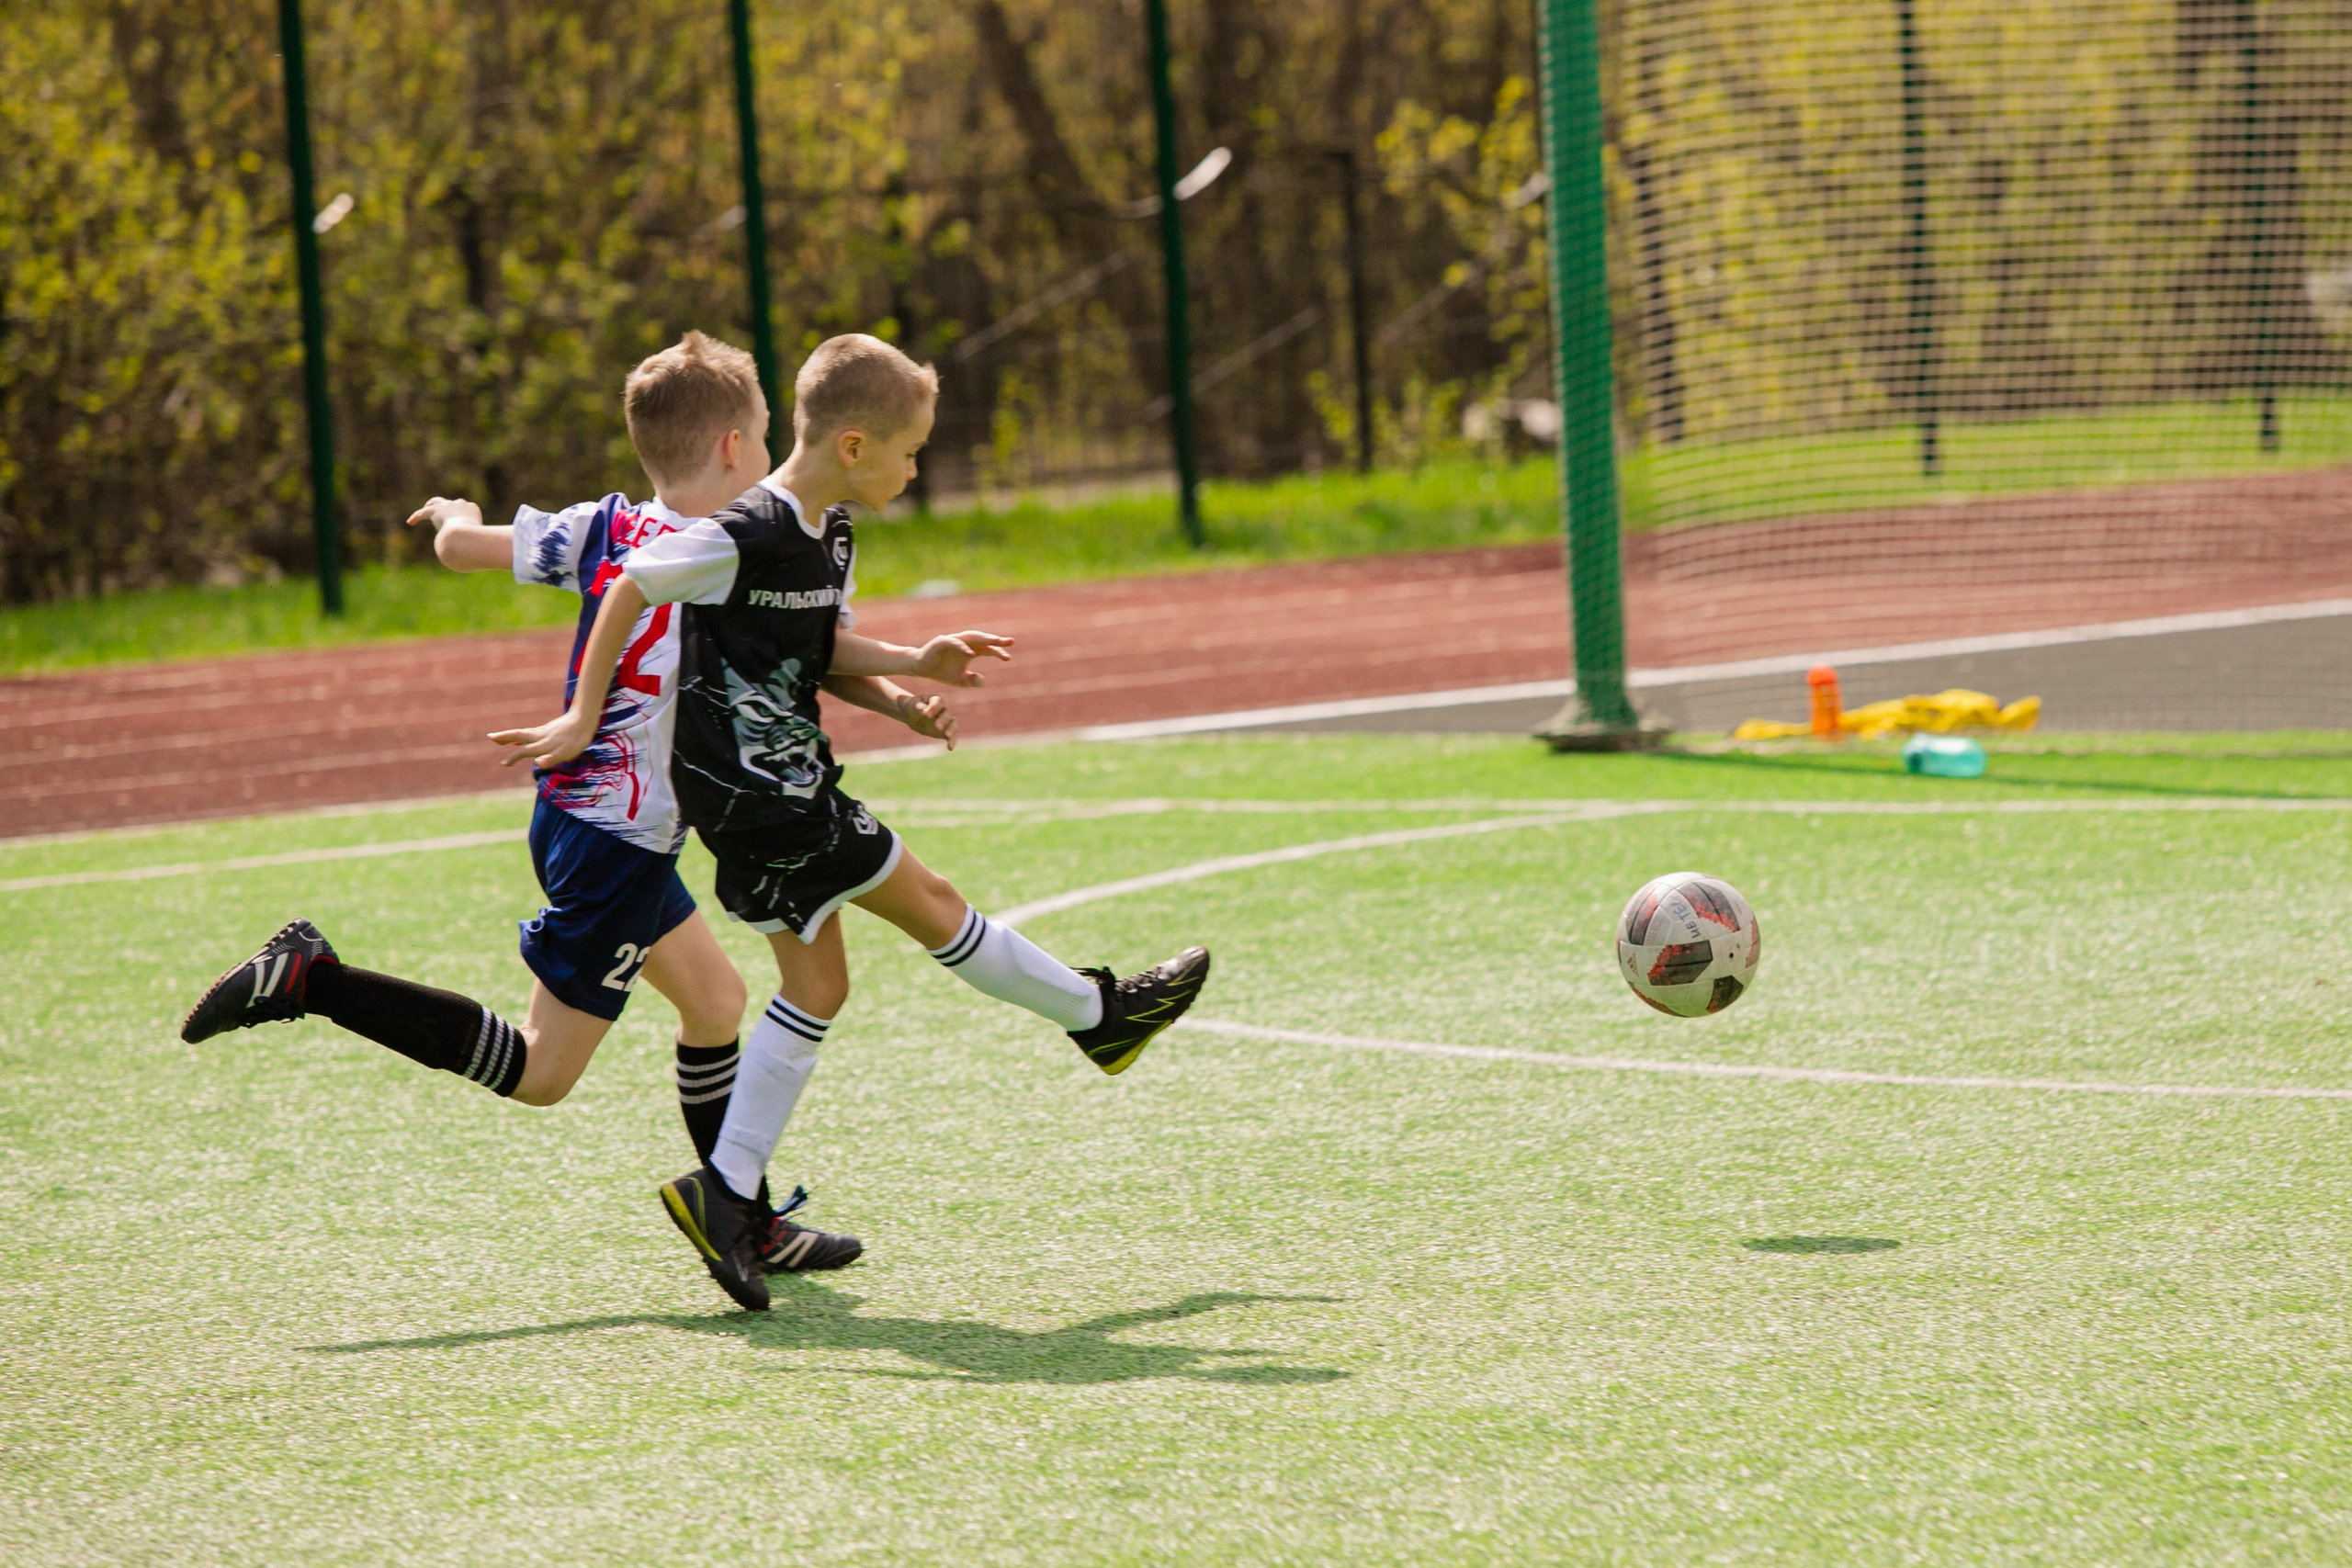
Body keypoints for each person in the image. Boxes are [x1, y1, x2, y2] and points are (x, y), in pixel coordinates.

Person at [178, 332, 965, 1272]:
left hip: (588, 817)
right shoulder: (724, 550)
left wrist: (453, 518)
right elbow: (804, 644)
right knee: (542, 1072)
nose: (768, 455)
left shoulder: (607, 526)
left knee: (716, 1002)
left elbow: (466, 549)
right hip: (617, 837)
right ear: (731, 449)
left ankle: (743, 1215)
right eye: (761, 437)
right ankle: (313, 979)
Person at [494, 333, 1211, 1311]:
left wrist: (913, 674)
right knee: (935, 905)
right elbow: (630, 584)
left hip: (778, 790)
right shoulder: (741, 529)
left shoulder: (829, 533)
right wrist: (582, 715)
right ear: (855, 446)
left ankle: (727, 1192)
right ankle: (1101, 1018)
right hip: (768, 797)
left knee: (818, 985)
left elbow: (813, 642)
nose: (918, 470)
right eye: (912, 451)